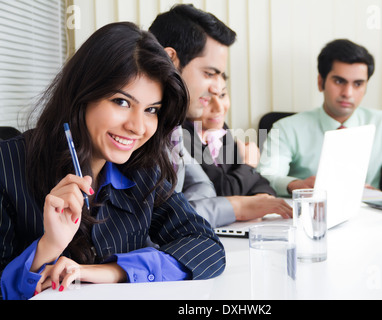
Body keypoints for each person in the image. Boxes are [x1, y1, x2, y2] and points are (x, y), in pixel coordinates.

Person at [0, 22, 225, 300]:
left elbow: (205, 246)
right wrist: (48, 247)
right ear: (82, 95)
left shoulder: (143, 173)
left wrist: (109, 271)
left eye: (151, 110)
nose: (138, 127)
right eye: (121, 102)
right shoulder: (6, 165)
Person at [150, 4, 292, 224]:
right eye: (209, 73)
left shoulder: (172, 127)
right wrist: (236, 206)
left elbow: (202, 187)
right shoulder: (142, 127)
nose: (218, 89)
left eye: (220, 76)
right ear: (170, 60)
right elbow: (158, 221)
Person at [258, 39, 382, 197]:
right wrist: (296, 185)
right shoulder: (286, 128)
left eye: (358, 84)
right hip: (314, 212)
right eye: (339, 81)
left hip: (369, 212)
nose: (348, 93)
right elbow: (265, 176)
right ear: (320, 82)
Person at [182, 79, 276, 197]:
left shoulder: (218, 129)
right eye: (205, 99)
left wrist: (262, 195)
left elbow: (257, 181)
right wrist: (249, 164)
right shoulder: (181, 138)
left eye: (222, 95)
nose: (219, 108)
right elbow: (223, 192)